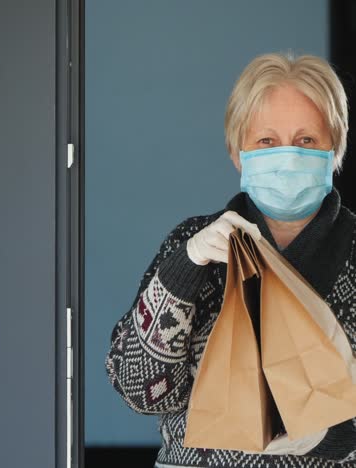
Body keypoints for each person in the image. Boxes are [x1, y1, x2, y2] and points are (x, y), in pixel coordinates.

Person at [105, 51, 356, 468]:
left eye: (307, 140)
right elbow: (139, 389)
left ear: (336, 150)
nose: (287, 157)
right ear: (238, 153)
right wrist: (184, 269)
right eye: (266, 141)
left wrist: (330, 435)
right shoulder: (192, 244)